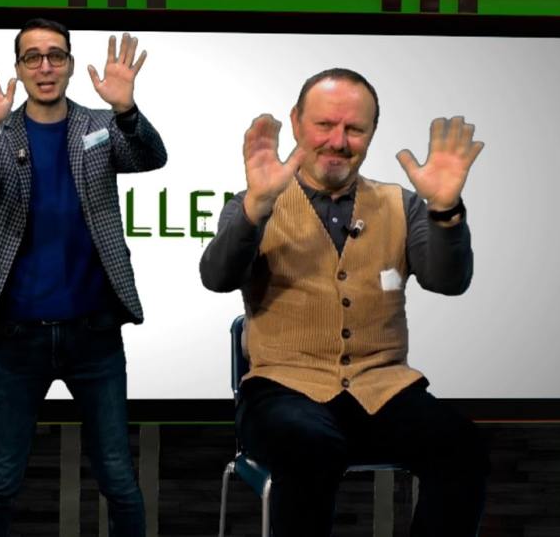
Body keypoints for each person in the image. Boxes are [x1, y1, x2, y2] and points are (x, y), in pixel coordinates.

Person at [199, 68, 489, 537]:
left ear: (372, 133)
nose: (338, 141)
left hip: (384, 389)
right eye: (324, 125)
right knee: (310, 446)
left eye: (354, 128)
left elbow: (448, 281)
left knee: (463, 446)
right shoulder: (252, 202)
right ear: (297, 122)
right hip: (282, 391)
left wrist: (445, 212)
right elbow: (217, 277)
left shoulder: (403, 204)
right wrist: (255, 209)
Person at [0, 18, 167, 537]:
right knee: (0, 480)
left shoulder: (99, 125)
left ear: (70, 64)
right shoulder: (1, 132)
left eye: (56, 55)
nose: (45, 66)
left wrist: (126, 109)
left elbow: (151, 157)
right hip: (19, 335)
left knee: (118, 476)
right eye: (33, 57)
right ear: (19, 69)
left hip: (94, 334)